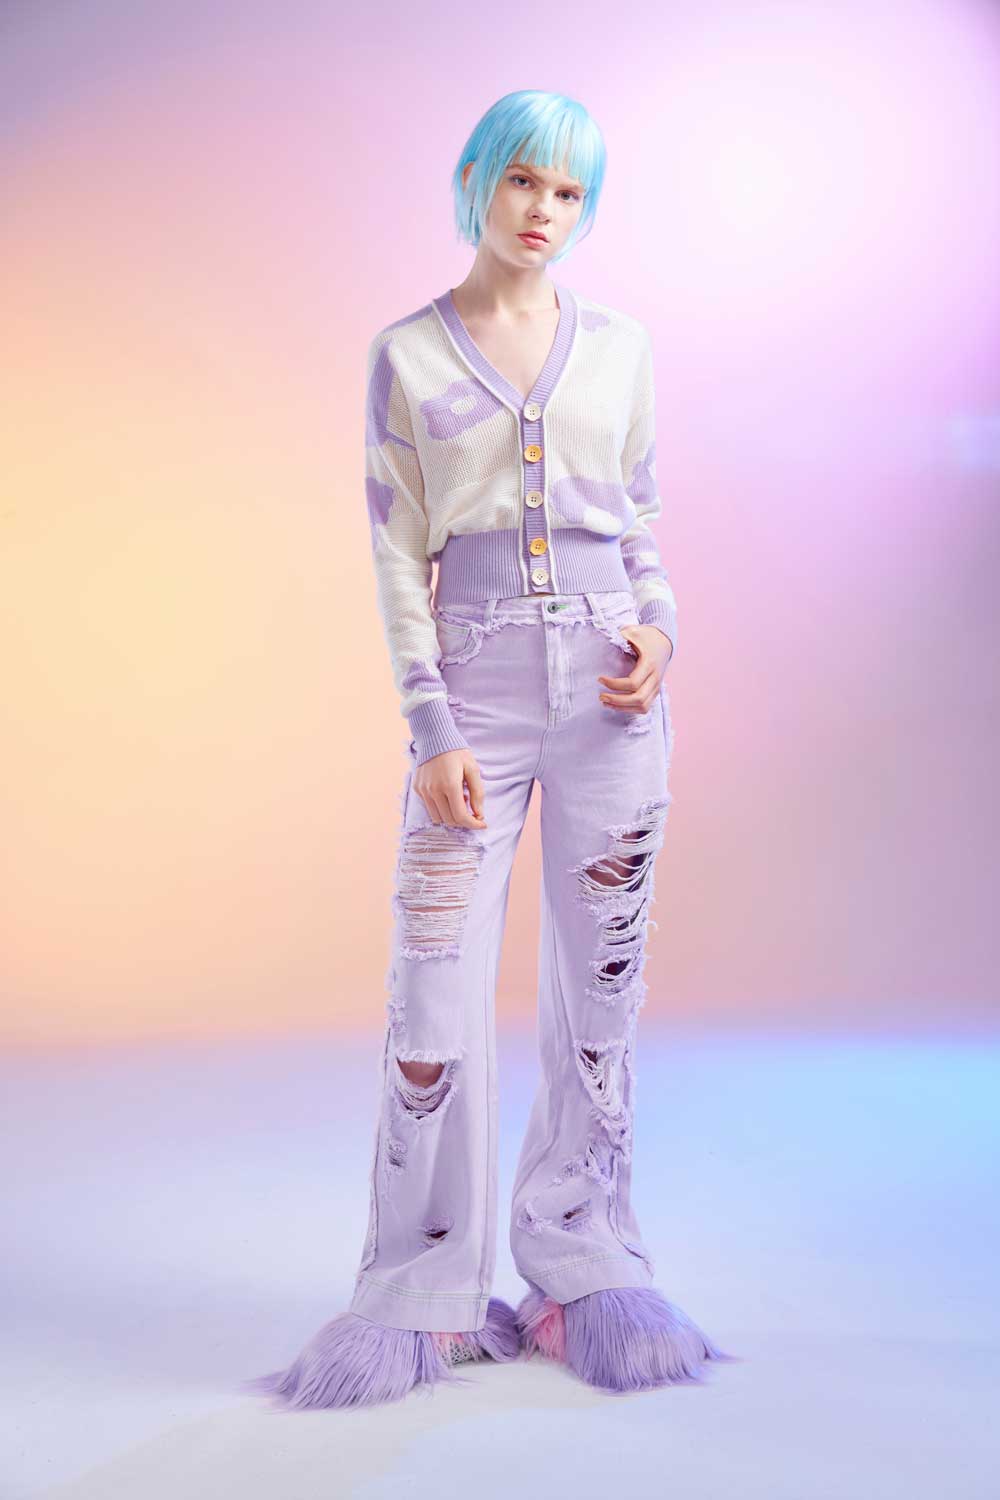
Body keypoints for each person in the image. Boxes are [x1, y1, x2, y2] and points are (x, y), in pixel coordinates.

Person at [243, 87, 734, 1411]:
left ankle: (584, 1263)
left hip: (613, 695)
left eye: (570, 192)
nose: (543, 212)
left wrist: (662, 630)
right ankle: (423, 1289)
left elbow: (639, 518)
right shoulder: (406, 356)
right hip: (475, 691)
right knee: (433, 990)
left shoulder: (622, 349)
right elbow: (397, 555)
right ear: (477, 181)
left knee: (601, 989)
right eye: (524, 181)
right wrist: (430, 726)